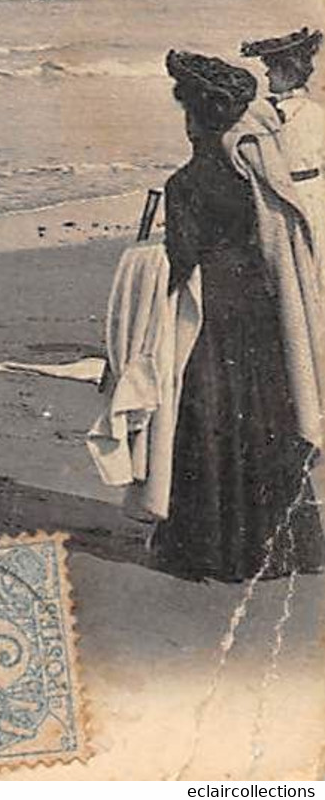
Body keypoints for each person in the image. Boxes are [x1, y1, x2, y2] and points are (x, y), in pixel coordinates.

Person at [153, 50, 324, 581]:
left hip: (211, 311)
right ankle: (279, 546)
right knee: (266, 414)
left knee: (208, 416)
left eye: (186, 112)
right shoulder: (248, 174)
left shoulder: (184, 183)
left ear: (198, 117)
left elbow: (180, 261)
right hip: (257, 305)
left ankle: (212, 548)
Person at [241, 27, 324, 274]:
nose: (266, 73)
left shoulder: (265, 115)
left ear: (287, 73)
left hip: (289, 199)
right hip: (309, 197)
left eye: (271, 68)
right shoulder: (316, 113)